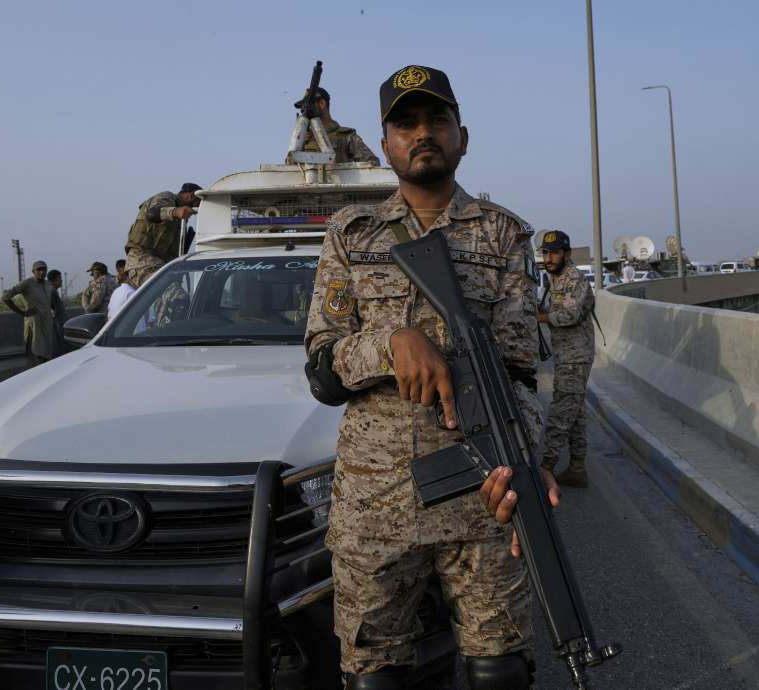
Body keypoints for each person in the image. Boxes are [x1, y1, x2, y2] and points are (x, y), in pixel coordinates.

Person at [304, 65, 558, 690]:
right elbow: (322, 367)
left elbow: (523, 372)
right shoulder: (350, 235)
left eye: (437, 121)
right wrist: (393, 345)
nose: (423, 134)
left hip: (483, 492)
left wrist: (526, 461)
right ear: (387, 142)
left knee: (500, 669)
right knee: (374, 674)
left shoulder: (503, 234)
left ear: (462, 137)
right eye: (406, 123)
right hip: (375, 500)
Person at [537, 230, 596, 487]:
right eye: (546, 253)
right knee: (576, 413)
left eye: (554, 253)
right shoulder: (554, 279)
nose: (549, 258)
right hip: (565, 354)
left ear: (567, 254)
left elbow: (569, 316)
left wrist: (541, 317)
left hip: (576, 356)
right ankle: (577, 467)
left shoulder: (575, 279)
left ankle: (544, 468)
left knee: (562, 412)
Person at [125, 183, 200, 287]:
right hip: (143, 260)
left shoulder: (179, 222)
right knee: (174, 296)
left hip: (160, 265)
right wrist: (175, 212)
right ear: (191, 195)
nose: (194, 207)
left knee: (179, 298)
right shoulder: (167, 197)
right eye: (196, 203)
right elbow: (152, 214)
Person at [285, 86, 380, 165]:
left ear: (322, 104)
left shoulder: (345, 136)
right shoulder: (302, 139)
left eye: (308, 105)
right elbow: (288, 169)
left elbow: (372, 163)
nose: (304, 111)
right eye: (302, 108)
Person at [2, 260, 56, 368]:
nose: (42, 272)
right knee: (36, 356)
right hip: (34, 325)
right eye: (38, 269)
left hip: (47, 325)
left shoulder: (47, 285)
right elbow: (5, 297)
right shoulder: (27, 284)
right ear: (33, 271)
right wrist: (22, 312)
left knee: (47, 357)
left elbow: (49, 302)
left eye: (44, 269)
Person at [48, 269, 68, 356]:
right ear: (54, 280)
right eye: (60, 278)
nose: (61, 281)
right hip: (57, 326)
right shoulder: (51, 291)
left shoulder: (51, 290)